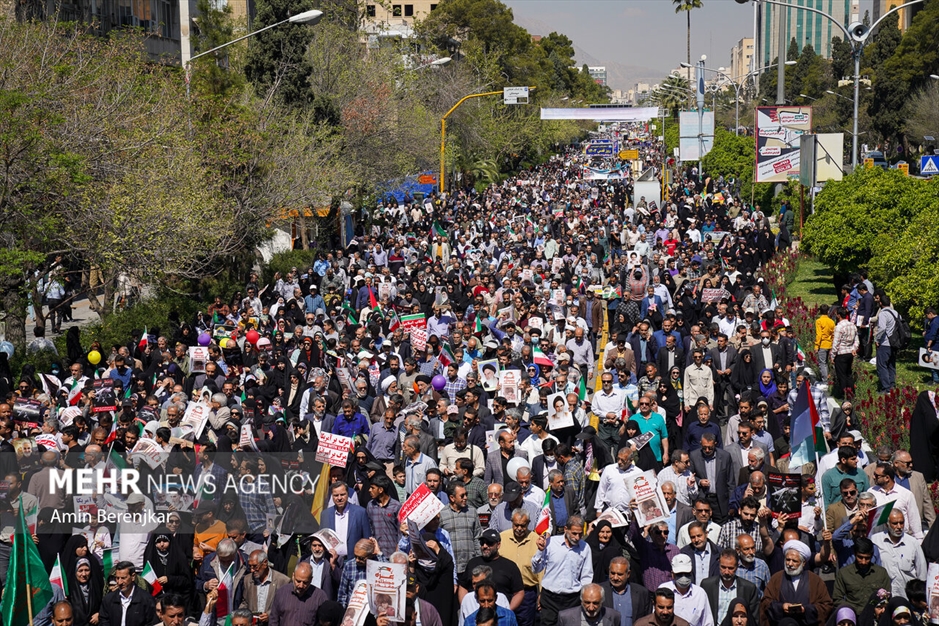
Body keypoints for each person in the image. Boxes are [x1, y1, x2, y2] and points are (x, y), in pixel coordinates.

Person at [532, 515, 594, 626]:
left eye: (580, 534)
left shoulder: (585, 548)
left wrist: (583, 597)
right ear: (566, 529)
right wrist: (540, 551)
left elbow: (586, 576)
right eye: (574, 533)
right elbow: (536, 569)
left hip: (572, 599)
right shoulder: (550, 543)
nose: (577, 537)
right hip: (550, 598)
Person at [760, 540, 832, 626]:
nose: (790, 564)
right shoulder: (776, 578)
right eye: (788, 560)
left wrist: (805, 609)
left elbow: (826, 605)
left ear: (803, 563)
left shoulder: (815, 580)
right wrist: (781, 607)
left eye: (794, 561)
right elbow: (765, 602)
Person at [870, 510, 927, 599]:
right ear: (887, 524)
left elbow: (922, 573)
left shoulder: (913, 543)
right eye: (895, 523)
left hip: (907, 598)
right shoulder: (875, 540)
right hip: (884, 598)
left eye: (901, 523)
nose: (899, 527)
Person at [699, 549, 760, 625]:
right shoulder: (707, 586)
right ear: (719, 564)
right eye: (723, 567)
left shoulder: (749, 589)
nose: (726, 572)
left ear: (737, 566)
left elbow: (754, 619)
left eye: (731, 568)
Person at [832, 537, 891, 614]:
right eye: (860, 557)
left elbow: (887, 597)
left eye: (867, 558)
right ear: (855, 554)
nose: (863, 562)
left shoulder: (881, 573)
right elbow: (837, 599)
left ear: (872, 555)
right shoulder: (844, 573)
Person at [97, 561, 157, 626]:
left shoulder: (146, 599)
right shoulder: (109, 599)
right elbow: (103, 620)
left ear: (133, 577)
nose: (119, 582)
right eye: (117, 578)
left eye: (123, 578)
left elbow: (151, 622)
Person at [241, 549, 290, 624]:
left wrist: (270, 615)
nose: (252, 570)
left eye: (255, 566)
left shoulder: (283, 581)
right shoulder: (247, 579)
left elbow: (286, 606)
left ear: (265, 563)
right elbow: (245, 602)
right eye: (250, 566)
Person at [557, 583, 621, 626]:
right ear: (581, 601)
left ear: (602, 601)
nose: (591, 608)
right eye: (587, 602)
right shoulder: (565, 618)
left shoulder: (614, 616)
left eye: (595, 603)